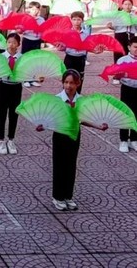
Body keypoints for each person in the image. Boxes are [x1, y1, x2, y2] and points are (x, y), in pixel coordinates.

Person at [39, 70, 106, 211]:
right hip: (60, 135)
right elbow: (50, 118)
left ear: (78, 84)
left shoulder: (81, 100)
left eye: (72, 83)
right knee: (59, 165)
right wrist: (42, 126)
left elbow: (83, 119)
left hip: (75, 135)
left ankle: (68, 196)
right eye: (66, 82)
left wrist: (98, 126)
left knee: (71, 165)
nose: (68, 86)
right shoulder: (57, 99)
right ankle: (57, 197)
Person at [114, 36, 137, 153]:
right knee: (125, 112)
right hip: (127, 89)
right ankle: (123, 139)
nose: (136, 49)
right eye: (135, 47)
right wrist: (118, 75)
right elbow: (116, 75)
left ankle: (134, 139)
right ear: (129, 47)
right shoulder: (122, 60)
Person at [60, 11, 89, 93]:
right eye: (74, 19)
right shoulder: (67, 32)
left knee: (78, 79)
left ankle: (77, 97)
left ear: (82, 21)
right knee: (67, 79)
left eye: (79, 19)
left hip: (81, 59)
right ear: (71, 20)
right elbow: (64, 46)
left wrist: (96, 50)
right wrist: (60, 48)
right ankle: (65, 98)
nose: (76, 22)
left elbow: (88, 46)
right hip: (69, 58)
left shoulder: (86, 33)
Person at [22, 1, 45, 87]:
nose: (34, 11)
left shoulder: (41, 19)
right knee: (27, 59)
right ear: (29, 10)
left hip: (37, 40)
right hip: (28, 40)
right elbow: (22, 30)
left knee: (35, 60)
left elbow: (43, 29)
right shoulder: (26, 18)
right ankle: (26, 79)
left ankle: (32, 79)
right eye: (33, 9)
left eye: (36, 9)